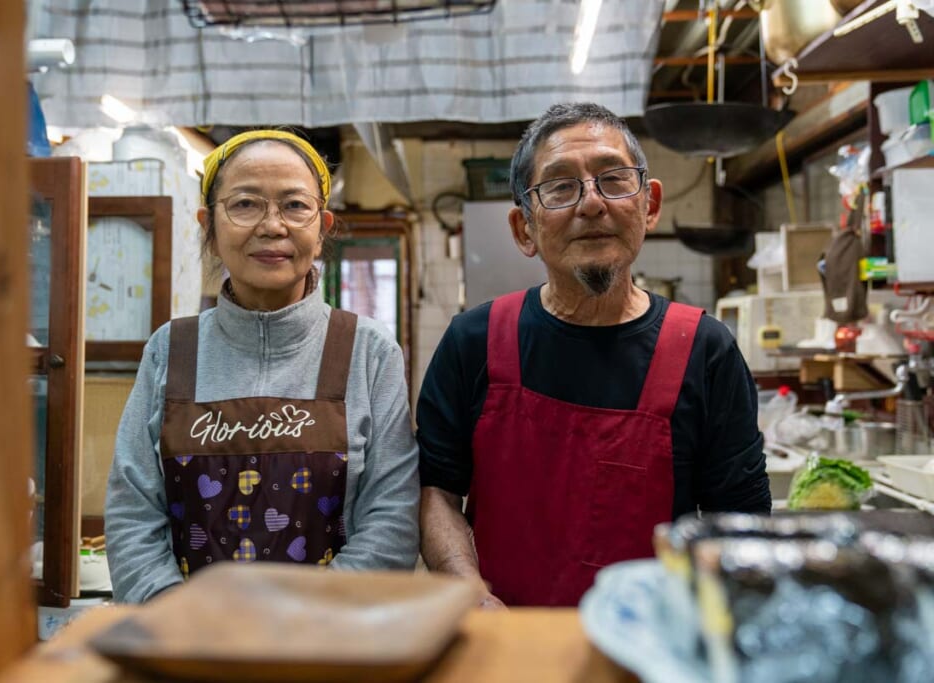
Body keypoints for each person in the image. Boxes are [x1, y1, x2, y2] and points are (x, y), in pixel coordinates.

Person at [417, 103, 770, 608]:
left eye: (613, 178)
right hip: (504, 643)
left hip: (647, 647)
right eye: (560, 187)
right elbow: (438, 492)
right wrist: (465, 587)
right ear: (524, 230)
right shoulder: (473, 341)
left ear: (648, 205)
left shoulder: (703, 350)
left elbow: (739, 521)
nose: (591, 203)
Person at [106, 129, 420, 603]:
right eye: (246, 204)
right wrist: (177, 617)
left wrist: (299, 622)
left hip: (327, 643)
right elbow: (133, 512)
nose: (272, 226)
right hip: (191, 645)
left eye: (294, 205)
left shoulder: (368, 351)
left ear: (322, 228)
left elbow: (392, 516)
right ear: (208, 228)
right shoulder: (170, 350)